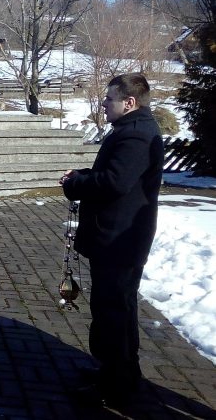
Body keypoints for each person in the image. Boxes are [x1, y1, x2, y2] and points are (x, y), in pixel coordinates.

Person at [60, 73, 164, 408]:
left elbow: (115, 184)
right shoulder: (132, 130)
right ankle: (120, 374)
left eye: (109, 99)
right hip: (118, 238)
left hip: (119, 241)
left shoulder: (136, 135)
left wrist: (76, 184)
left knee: (113, 312)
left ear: (129, 103)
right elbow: (115, 177)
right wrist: (83, 175)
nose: (104, 105)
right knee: (117, 307)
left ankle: (115, 386)